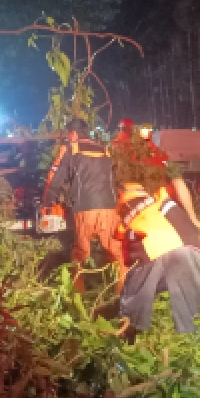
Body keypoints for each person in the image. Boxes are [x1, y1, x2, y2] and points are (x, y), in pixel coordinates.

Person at [102, 183, 200, 344]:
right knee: (194, 307)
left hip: (152, 250)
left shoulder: (127, 220)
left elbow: (128, 267)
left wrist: (122, 295)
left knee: (135, 294)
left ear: (121, 197)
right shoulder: (162, 199)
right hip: (190, 247)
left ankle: (127, 337)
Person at [44, 118, 122, 292]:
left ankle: (79, 296)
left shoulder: (71, 149)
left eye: (68, 134)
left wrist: (48, 203)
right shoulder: (104, 150)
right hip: (109, 206)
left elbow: (56, 180)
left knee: (81, 252)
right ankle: (120, 293)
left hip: (85, 206)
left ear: (73, 133)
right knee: (115, 251)